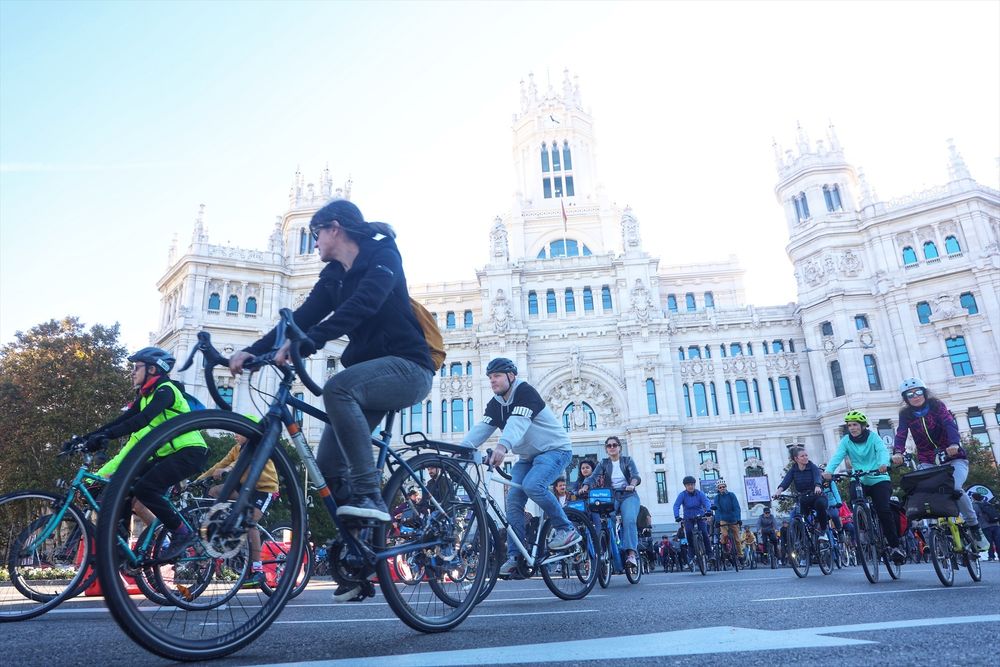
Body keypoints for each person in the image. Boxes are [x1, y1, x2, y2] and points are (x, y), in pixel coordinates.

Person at [228, 201, 435, 602]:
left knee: (338, 388)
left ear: (334, 228)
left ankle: (369, 493)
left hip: (409, 368)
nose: (314, 243)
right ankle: (360, 557)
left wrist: (308, 343)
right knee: (327, 468)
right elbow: (301, 318)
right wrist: (254, 351)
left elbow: (365, 304)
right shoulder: (332, 276)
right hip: (369, 378)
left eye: (315, 234)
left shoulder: (383, 254)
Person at [82, 347, 208, 561]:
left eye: (136, 367)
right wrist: (86, 438)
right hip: (167, 454)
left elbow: (142, 420)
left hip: (190, 451)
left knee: (145, 489)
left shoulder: (166, 390)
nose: (132, 372)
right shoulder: (145, 396)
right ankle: (120, 549)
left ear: (152, 369)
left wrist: (106, 436)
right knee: (123, 486)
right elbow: (122, 421)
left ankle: (182, 533)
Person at [460, 357, 579, 575]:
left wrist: (502, 446)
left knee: (533, 485)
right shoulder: (496, 404)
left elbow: (518, 422)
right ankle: (516, 557)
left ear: (511, 376)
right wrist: (459, 452)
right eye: (490, 377)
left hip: (555, 450)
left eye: (497, 375)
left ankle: (566, 529)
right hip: (527, 457)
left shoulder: (525, 392)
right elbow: (481, 429)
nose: (492, 380)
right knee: (513, 501)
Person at [891, 378, 989, 551]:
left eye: (918, 392)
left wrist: (954, 444)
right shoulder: (906, 414)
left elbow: (949, 424)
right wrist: (898, 452)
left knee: (955, 488)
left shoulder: (937, 406)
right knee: (923, 490)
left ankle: (974, 527)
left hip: (953, 457)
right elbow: (901, 433)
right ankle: (938, 530)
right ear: (905, 398)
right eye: (910, 395)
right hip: (928, 460)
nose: (915, 397)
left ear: (924, 392)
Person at [194, 414, 276, 586]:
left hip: (263, 489)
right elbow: (219, 464)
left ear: (248, 432)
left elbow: (240, 463)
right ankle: (222, 521)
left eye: (238, 432)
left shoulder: (258, 446)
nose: (234, 435)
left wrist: (227, 470)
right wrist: (197, 481)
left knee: (249, 523)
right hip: (244, 488)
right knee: (214, 491)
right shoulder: (236, 448)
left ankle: (257, 569)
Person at [823, 410, 905, 564]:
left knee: (883, 510)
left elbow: (882, 451)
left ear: (862, 426)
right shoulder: (846, 441)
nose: (852, 428)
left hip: (879, 477)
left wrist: (884, 464)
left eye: (855, 425)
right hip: (859, 478)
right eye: (849, 426)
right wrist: (829, 471)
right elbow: (837, 456)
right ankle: (865, 525)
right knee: (855, 501)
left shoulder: (873, 437)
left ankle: (895, 546)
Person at [578, 436, 642, 569]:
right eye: (609, 446)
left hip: (628, 495)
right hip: (611, 497)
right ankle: (610, 551)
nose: (612, 447)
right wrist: (585, 487)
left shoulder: (628, 460)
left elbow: (635, 475)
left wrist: (632, 484)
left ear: (620, 447)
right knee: (607, 522)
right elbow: (593, 477)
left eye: (614, 445)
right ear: (606, 449)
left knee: (629, 519)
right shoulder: (604, 463)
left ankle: (631, 553)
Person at [775, 446, 831, 547]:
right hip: (804, 497)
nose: (805, 457)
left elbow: (817, 476)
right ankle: (802, 542)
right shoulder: (793, 470)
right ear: (796, 459)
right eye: (802, 456)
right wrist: (779, 491)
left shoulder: (812, 466)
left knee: (820, 505)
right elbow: (786, 481)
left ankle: (823, 532)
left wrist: (817, 486)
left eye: (806, 455)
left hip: (816, 495)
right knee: (799, 517)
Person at [673, 476, 712, 562]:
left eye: (692, 484)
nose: (690, 486)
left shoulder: (700, 493)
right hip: (688, 518)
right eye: (688, 485)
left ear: (694, 485)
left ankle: (710, 554)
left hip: (700, 517)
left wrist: (708, 510)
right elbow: (676, 505)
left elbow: (706, 502)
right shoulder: (682, 495)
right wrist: (677, 516)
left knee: (704, 533)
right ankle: (691, 552)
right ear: (685, 486)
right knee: (689, 534)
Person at [712, 480, 742, 557]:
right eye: (720, 487)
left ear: (726, 487)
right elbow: (717, 510)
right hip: (723, 519)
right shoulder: (717, 497)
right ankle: (724, 546)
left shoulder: (731, 495)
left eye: (723, 487)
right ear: (718, 489)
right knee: (724, 535)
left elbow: (736, 507)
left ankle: (740, 555)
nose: (722, 488)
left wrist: (738, 519)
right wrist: (718, 520)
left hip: (733, 519)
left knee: (737, 539)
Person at [971, 492, 1000, 560]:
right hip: (996, 524)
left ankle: (991, 557)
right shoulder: (987, 503)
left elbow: (974, 516)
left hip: (985, 526)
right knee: (998, 541)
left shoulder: (975, 505)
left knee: (989, 542)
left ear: (973, 498)